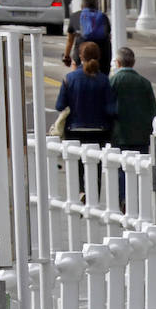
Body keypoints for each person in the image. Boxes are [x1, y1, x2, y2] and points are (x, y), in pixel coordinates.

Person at [55, 41, 115, 194]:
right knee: (96, 165)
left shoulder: (70, 78)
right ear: (99, 57)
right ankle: (93, 195)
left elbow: (59, 105)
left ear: (80, 56)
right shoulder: (103, 80)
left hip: (75, 129)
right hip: (99, 131)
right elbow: (110, 109)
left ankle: (81, 192)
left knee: (77, 166)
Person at [108, 47, 156, 200]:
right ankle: (138, 199)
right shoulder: (144, 83)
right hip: (141, 135)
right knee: (139, 170)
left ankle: (125, 199)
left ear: (117, 62)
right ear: (134, 62)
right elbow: (153, 111)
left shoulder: (113, 81)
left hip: (120, 134)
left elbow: (107, 107)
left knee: (122, 169)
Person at [62, 0, 110, 69]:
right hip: (102, 55)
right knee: (103, 77)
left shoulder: (75, 16)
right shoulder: (103, 17)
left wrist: (66, 56)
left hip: (81, 56)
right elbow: (108, 35)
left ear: (82, 5)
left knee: (77, 76)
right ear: (96, 5)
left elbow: (70, 40)